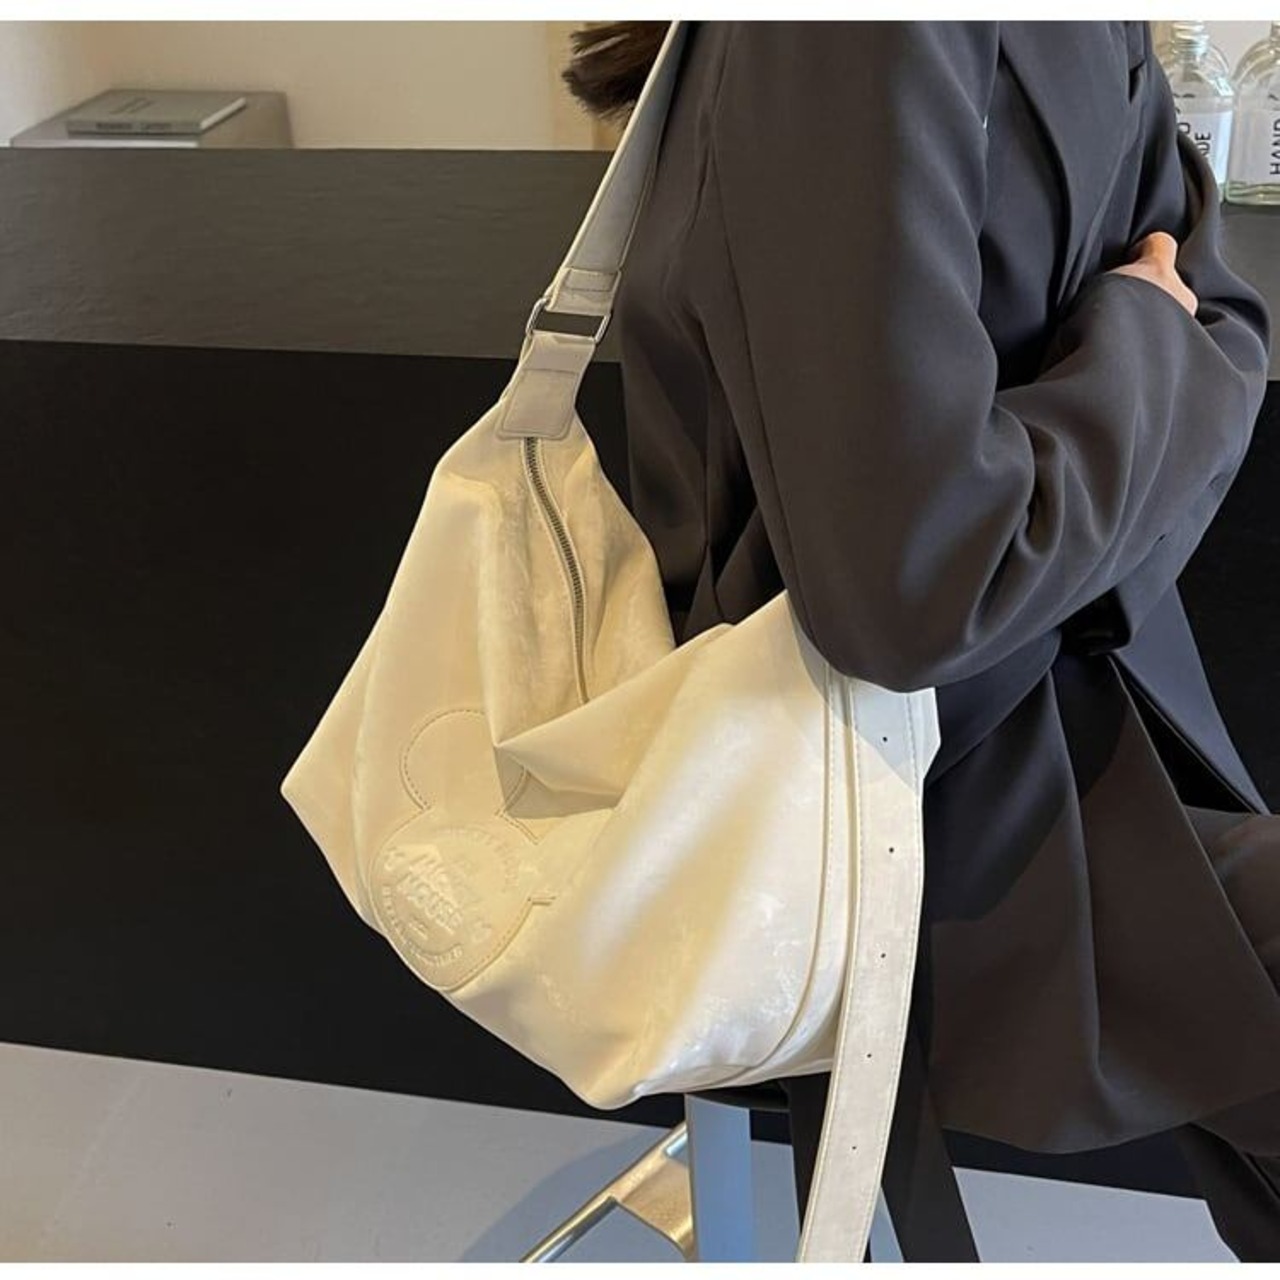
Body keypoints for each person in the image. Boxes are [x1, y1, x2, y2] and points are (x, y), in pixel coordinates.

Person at [562, 20, 1280, 1261]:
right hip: (905, 799)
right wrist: (1139, 340)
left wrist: (1140, 373)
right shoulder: (859, 39)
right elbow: (916, 589)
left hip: (1046, 723)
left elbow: (1221, 308)